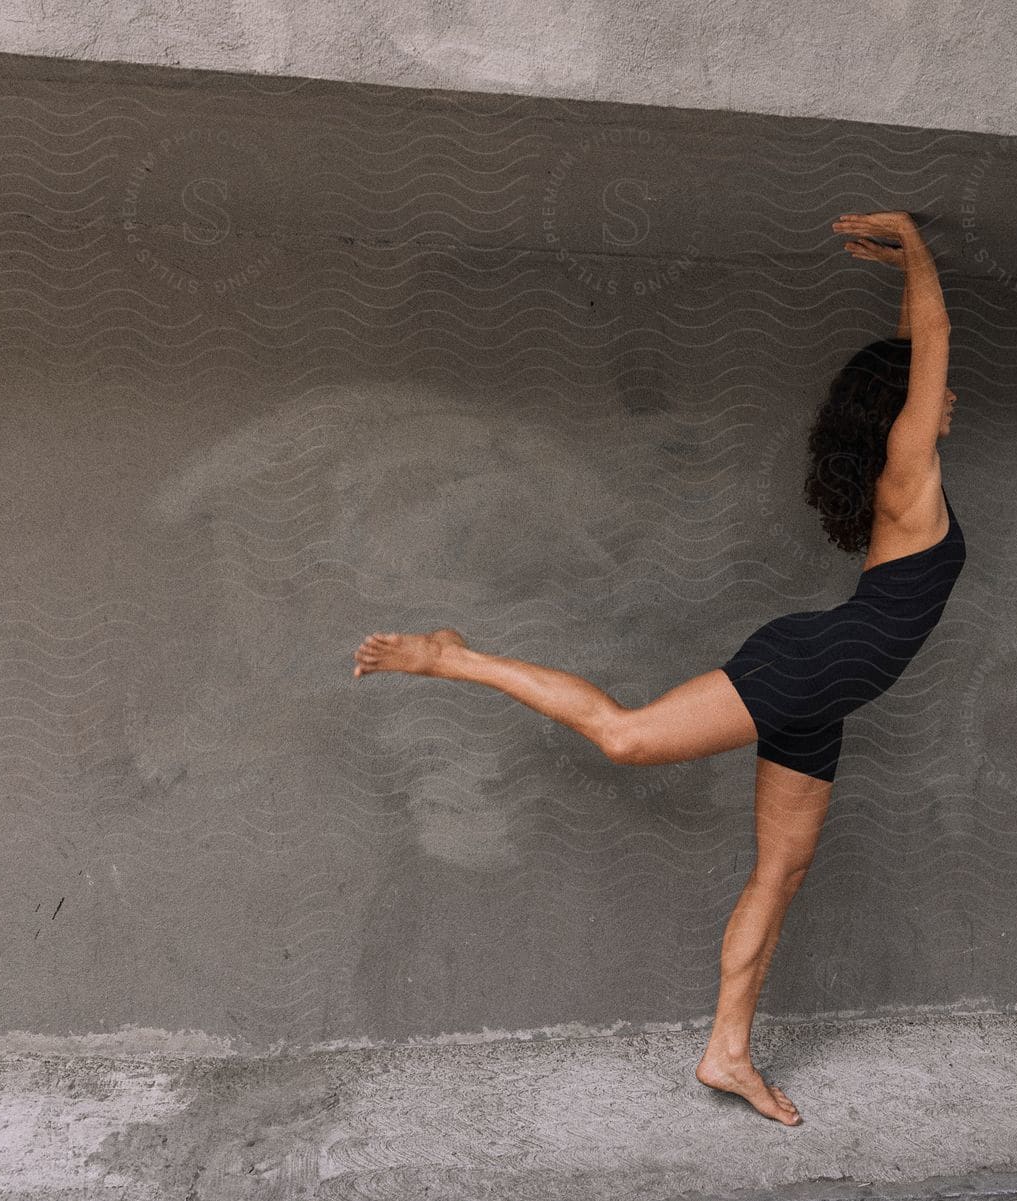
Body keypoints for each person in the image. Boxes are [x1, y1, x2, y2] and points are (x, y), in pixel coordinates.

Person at [352, 210, 962, 1126]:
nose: (950, 400)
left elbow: (914, 352)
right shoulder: (908, 471)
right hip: (809, 667)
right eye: (928, 395)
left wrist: (902, 285)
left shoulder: (907, 466)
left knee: (779, 876)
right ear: (900, 412)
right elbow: (933, 345)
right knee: (626, 736)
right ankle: (452, 656)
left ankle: (727, 1053)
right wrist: (915, 249)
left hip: (823, 696)